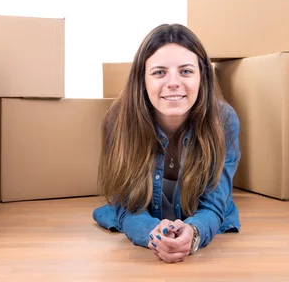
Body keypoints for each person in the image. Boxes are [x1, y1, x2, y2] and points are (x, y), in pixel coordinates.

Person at [92, 23, 241, 263]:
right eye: (159, 72)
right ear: (143, 79)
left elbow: (215, 204)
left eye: (185, 71)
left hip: (202, 220)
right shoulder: (117, 120)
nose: (173, 82)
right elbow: (125, 205)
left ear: (202, 77)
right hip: (142, 223)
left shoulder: (224, 121)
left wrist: (194, 233)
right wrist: (152, 233)